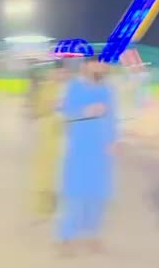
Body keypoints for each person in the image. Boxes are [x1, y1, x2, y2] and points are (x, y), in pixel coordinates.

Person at [57, 58, 117, 256]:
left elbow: (113, 116)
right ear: (85, 67)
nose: (99, 69)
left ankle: (93, 236)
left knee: (97, 195)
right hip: (79, 148)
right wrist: (85, 111)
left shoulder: (107, 89)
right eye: (94, 65)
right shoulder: (74, 87)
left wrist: (113, 140)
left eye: (101, 66)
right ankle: (66, 238)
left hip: (101, 150)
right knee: (75, 194)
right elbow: (64, 112)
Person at [30, 59, 67, 221]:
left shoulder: (70, 89)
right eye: (58, 72)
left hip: (64, 134)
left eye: (63, 72)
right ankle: (47, 203)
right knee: (47, 169)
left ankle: (61, 203)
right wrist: (49, 106)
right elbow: (37, 110)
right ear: (52, 72)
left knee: (62, 169)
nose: (60, 75)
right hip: (48, 134)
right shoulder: (46, 88)